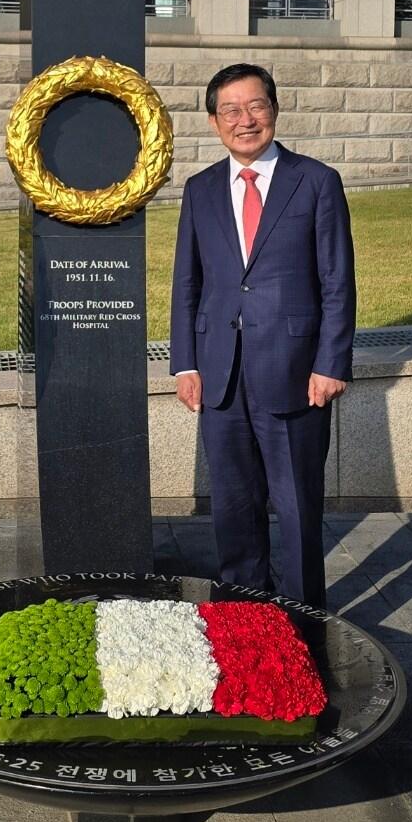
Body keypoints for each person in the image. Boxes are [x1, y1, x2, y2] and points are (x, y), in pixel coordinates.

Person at [170, 63, 355, 608]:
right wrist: (185, 363)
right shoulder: (200, 189)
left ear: (274, 109)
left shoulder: (316, 181)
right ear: (213, 121)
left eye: (255, 106)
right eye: (231, 110)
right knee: (233, 509)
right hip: (220, 376)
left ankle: (303, 628)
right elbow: (189, 280)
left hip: (297, 374)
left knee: (297, 511)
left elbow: (337, 281)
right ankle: (246, 627)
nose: (244, 120)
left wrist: (331, 364)